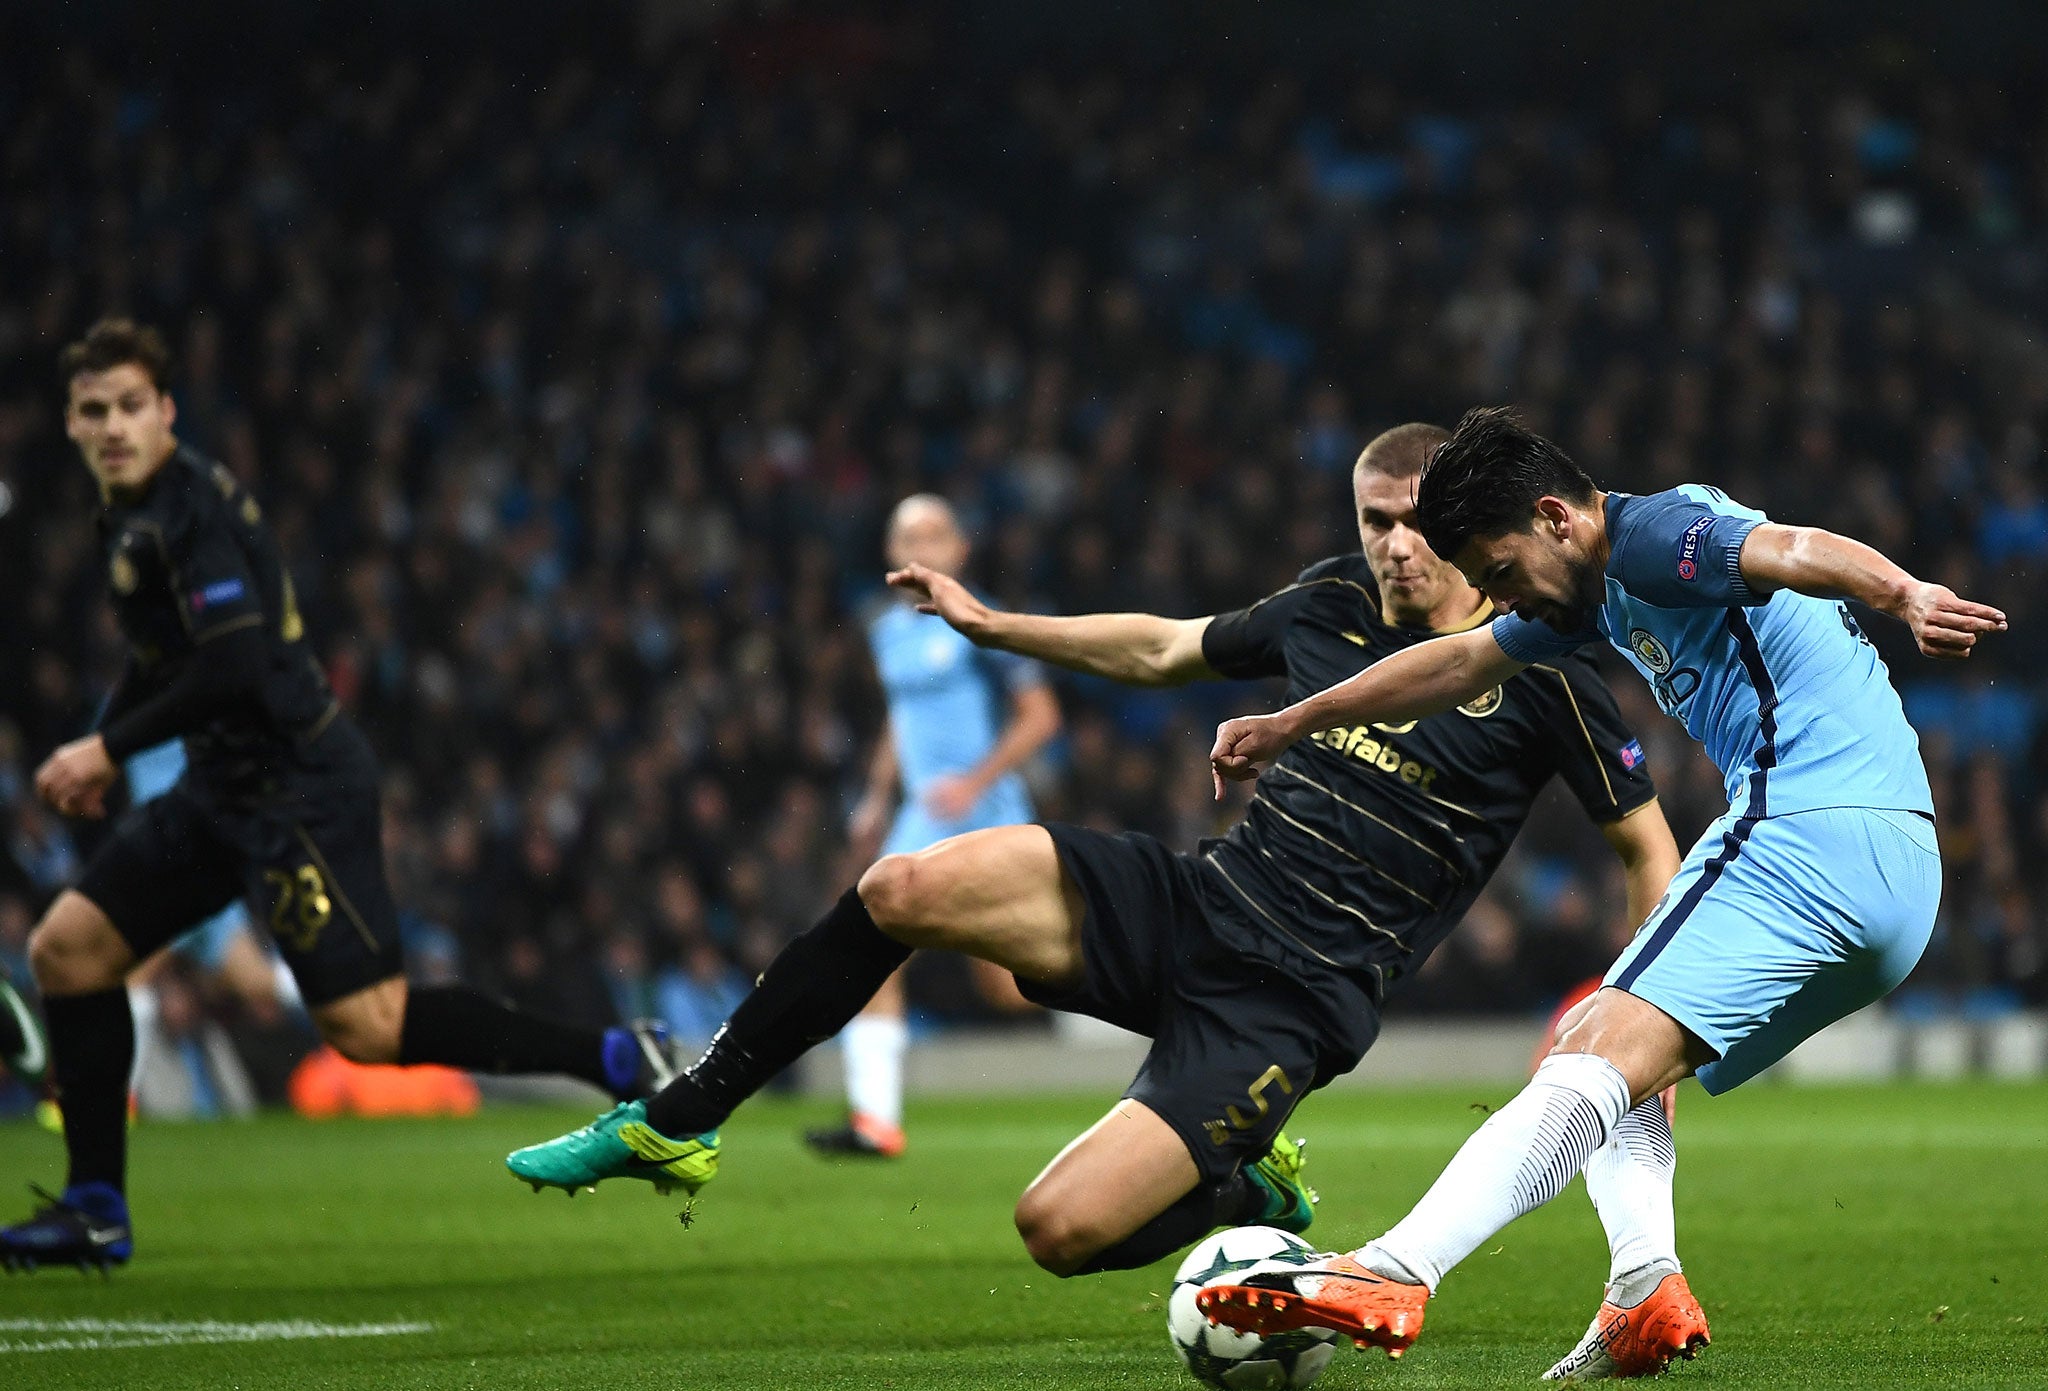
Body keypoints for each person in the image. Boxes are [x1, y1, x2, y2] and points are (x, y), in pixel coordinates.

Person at [505, 422, 1685, 1287]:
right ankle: (684, 1117)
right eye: (1370, 522)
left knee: (1057, 1232)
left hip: (1296, 995)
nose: (1389, 547)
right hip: (1199, 899)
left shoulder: (1544, 671)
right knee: (902, 886)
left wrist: (1643, 1029)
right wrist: (990, 623)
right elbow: (1161, 648)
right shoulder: (1325, 606)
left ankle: (1249, 1189)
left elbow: (1645, 847)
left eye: (1412, 525)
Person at [1199, 406, 2001, 1377]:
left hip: (1807, 830)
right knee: (1609, 1053)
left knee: (1588, 1051)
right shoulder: (1584, 586)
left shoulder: (1654, 538)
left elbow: (1788, 546)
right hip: (1892, 878)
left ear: (1555, 518)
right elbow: (1457, 661)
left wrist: (1904, 592)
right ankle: (1641, 1287)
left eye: (1498, 572)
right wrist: (1297, 718)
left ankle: (1394, 1269)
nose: (1500, 598)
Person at [0, 319, 687, 1274]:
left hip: (297, 793)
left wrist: (106, 746)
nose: (112, 426)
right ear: (71, 425)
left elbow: (236, 660)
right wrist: (110, 750)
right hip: (218, 787)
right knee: (68, 953)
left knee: (366, 1030)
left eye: (129, 406)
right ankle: (94, 1211)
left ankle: (613, 1057)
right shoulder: (125, 513)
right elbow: (168, 659)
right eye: (92, 411)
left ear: (166, 411)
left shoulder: (191, 512)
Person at [805, 495, 1061, 1158]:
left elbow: (1041, 716)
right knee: (868, 941)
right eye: (907, 536)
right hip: (922, 814)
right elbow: (903, 717)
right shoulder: (886, 629)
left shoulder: (981, 621)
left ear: (960, 550)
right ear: (891, 553)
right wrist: (876, 793)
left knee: (1008, 985)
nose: (921, 547)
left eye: (935, 535)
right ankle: (875, 1120)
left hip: (985, 811)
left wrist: (973, 782)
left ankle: (1120, 1023)